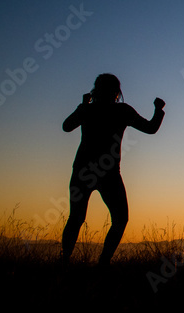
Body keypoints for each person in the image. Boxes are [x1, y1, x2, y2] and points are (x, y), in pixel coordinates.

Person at [61, 73, 165, 265]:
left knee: (76, 218)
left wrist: (82, 106)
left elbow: (67, 126)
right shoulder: (122, 111)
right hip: (108, 173)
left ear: (95, 89)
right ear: (117, 91)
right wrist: (158, 110)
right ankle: (103, 262)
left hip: (82, 171)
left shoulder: (89, 110)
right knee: (120, 218)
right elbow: (150, 128)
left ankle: (64, 259)